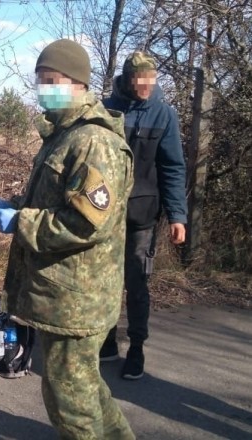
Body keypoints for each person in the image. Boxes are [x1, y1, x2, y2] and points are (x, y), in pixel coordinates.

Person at [0, 39, 135, 439]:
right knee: (86, 390)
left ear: (78, 83)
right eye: (40, 81)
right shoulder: (64, 135)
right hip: (63, 295)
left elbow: (84, 224)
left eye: (52, 80)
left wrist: (19, 223)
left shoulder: (93, 141)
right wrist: (7, 208)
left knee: (71, 406)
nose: (44, 89)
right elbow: (54, 201)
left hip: (77, 300)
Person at [100, 51, 188, 380]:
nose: (146, 85)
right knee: (104, 279)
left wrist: (178, 215)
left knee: (136, 280)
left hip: (143, 213)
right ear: (128, 79)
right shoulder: (108, 108)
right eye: (140, 79)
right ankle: (107, 340)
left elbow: (172, 168)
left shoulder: (164, 114)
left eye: (151, 78)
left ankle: (136, 347)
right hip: (105, 211)